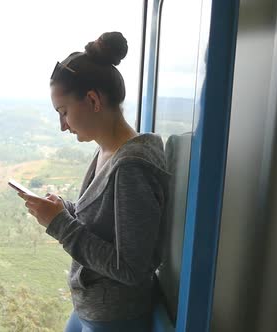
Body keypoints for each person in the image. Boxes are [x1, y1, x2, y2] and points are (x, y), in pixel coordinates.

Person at [18, 31, 169, 332]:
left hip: (115, 317)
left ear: (92, 100)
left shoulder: (132, 166)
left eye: (64, 112)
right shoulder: (108, 150)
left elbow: (130, 268)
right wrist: (65, 209)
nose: (62, 126)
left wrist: (59, 224)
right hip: (94, 309)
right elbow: (105, 225)